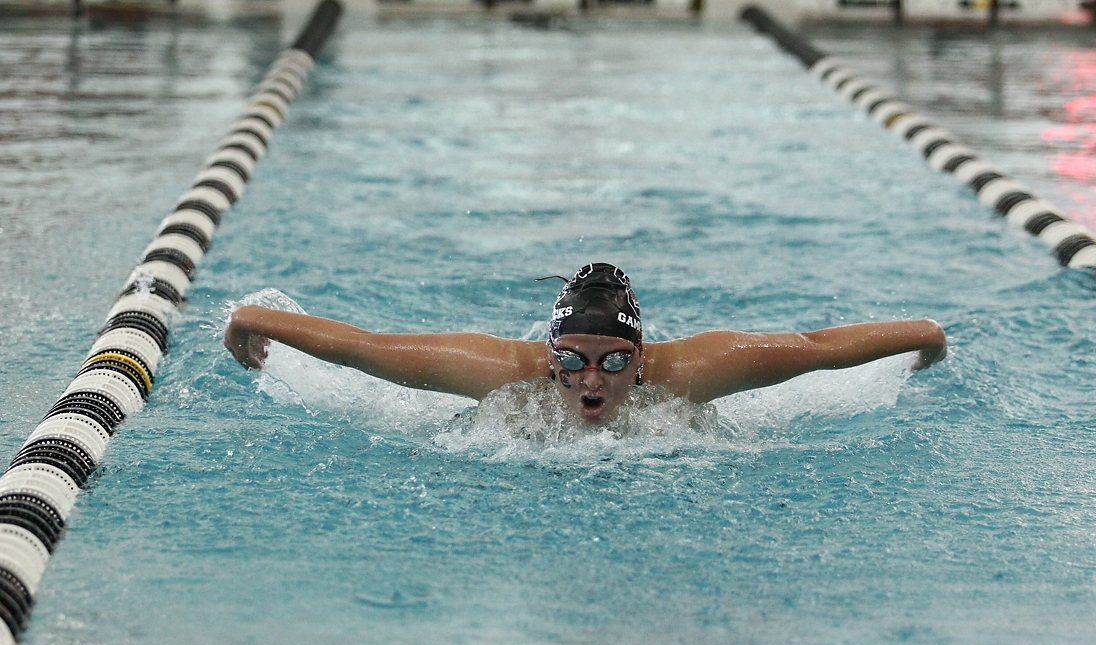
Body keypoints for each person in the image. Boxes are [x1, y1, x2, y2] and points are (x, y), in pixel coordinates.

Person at [224, 263, 947, 425]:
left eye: (613, 362)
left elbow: (816, 347)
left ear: (643, 358)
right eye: (569, 360)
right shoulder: (498, 374)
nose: (589, 380)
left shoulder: (694, 371)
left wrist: (927, 341)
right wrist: (248, 321)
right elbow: (365, 347)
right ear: (547, 357)